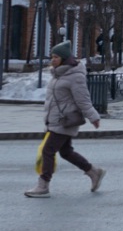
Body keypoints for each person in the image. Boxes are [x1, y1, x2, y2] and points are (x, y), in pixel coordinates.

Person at [25, 41, 105, 198]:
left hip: (66, 120)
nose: (53, 60)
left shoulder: (75, 76)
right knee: (66, 152)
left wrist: (93, 117)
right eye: (52, 57)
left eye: (56, 57)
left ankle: (43, 185)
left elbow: (83, 100)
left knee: (48, 150)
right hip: (55, 119)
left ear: (65, 59)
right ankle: (93, 172)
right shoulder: (58, 74)